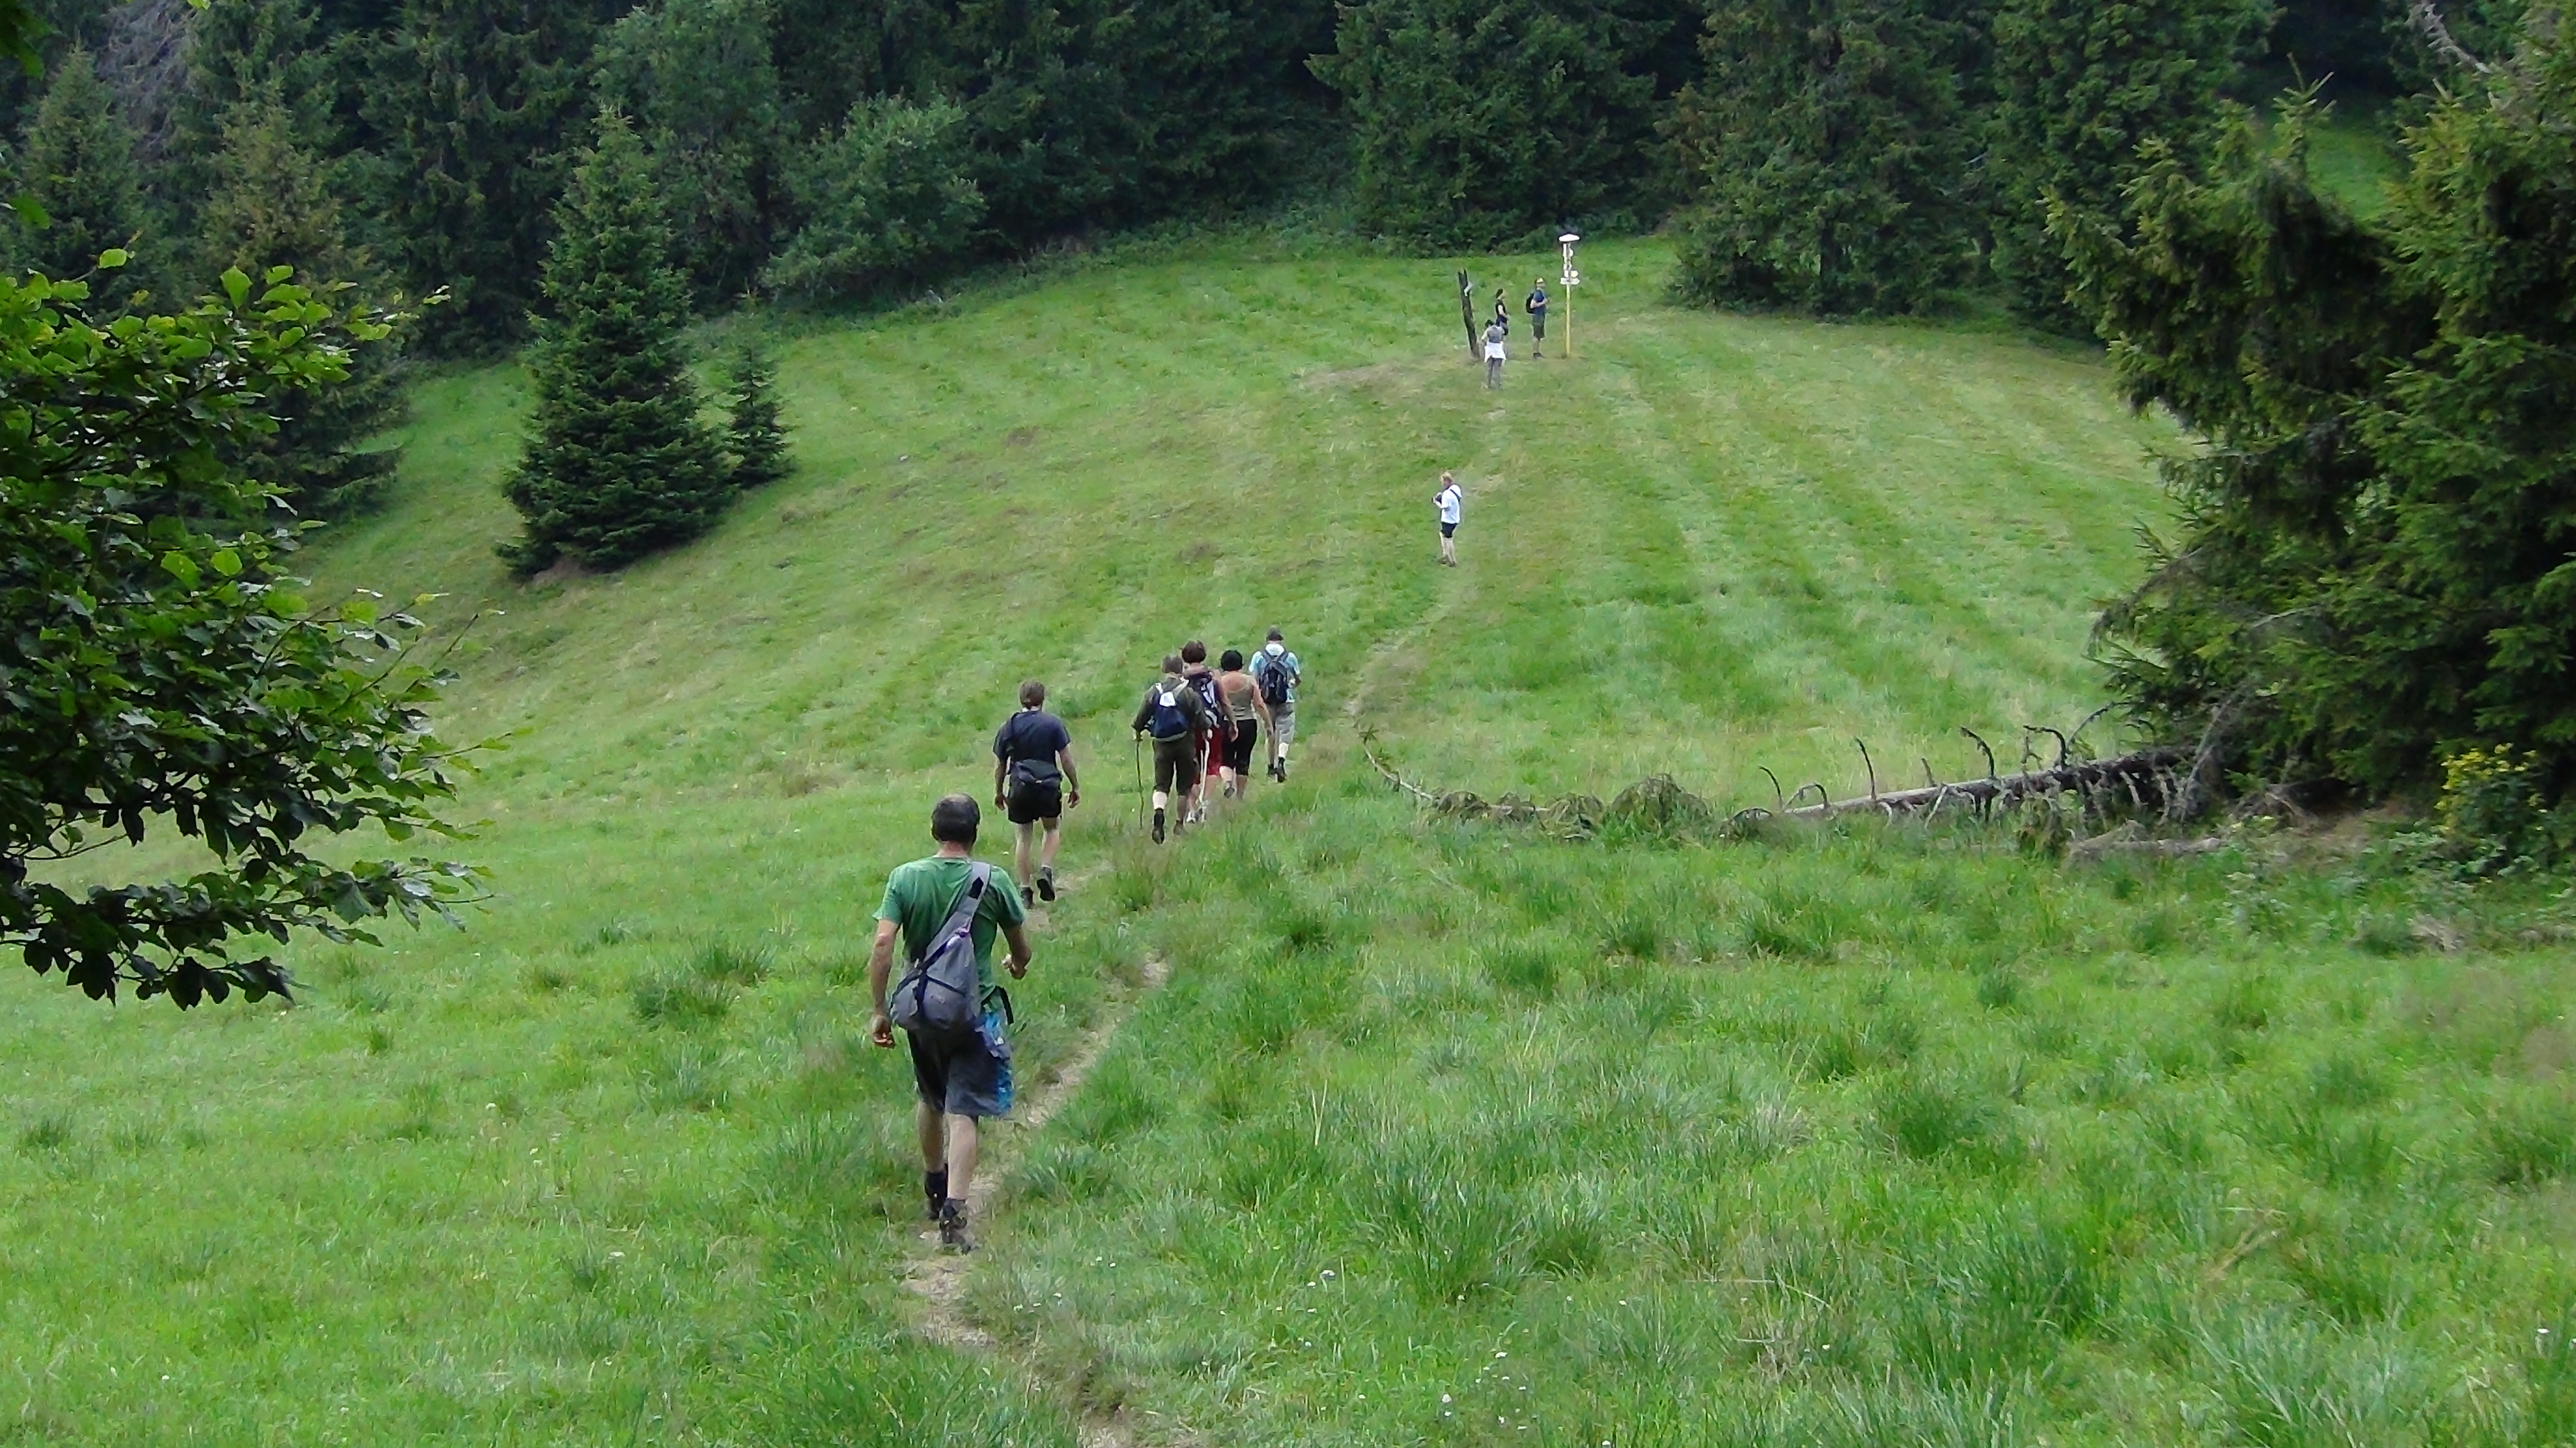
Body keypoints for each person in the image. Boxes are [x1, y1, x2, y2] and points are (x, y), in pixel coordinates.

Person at [868, 794, 1033, 1253]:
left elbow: (883, 945)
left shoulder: (905, 878)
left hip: (922, 1010)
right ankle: (955, 1214)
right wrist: (1017, 965)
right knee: (965, 1113)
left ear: (934, 831)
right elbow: (1021, 949)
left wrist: (880, 1009)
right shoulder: (994, 880)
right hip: (974, 1012)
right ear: (975, 832)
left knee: (930, 1096)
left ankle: (934, 1183)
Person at [991, 680, 1079, 906]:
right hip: (1048, 786)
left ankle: (1025, 891)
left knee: (1023, 837)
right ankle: (1046, 869)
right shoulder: (1052, 724)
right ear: (1043, 699)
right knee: (1052, 828)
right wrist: (1075, 786)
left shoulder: (1009, 727)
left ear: (1021, 699)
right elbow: (1066, 759)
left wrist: (999, 791)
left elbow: (1001, 764)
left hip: (1020, 787)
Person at [1131, 653, 1211, 843]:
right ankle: (1179, 825)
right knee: (1184, 786)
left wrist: (1138, 732)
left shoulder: (1154, 692)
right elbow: (1201, 719)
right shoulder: (1188, 693)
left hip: (1161, 743)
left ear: (1164, 669)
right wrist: (1206, 730)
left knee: (1161, 785)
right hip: (1185, 742)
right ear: (1181, 669)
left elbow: (1140, 719)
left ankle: (1159, 813)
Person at [1180, 640, 1230, 825]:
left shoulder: (1181, 679)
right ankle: (1205, 802)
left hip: (1187, 728)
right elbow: (1223, 702)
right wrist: (1232, 722)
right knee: (1212, 764)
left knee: (1190, 768)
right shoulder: (1213, 677)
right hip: (1211, 724)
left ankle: (1192, 810)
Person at [1214, 647, 1268, 799]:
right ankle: (1239, 796)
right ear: (1241, 664)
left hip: (1226, 723)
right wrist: (1268, 724)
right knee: (1243, 759)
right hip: (1248, 723)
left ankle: (1227, 782)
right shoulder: (1249, 681)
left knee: (1225, 758)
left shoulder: (1219, 683)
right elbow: (1259, 704)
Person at [1254, 628, 1300, 782]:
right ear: (1280, 639)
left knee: (1270, 733)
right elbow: (1297, 679)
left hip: (1266, 701)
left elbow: (1254, 680)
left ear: (1267, 639)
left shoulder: (1259, 656)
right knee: (1285, 732)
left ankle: (1270, 766)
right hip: (1286, 700)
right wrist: (1291, 684)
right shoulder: (1289, 657)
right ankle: (1281, 760)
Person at [1434, 471, 1464, 566]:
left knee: (1448, 539)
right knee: (1443, 535)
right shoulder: (1456, 488)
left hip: (1448, 520)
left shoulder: (1447, 494)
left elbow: (1445, 507)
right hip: (1455, 518)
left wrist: (1436, 502)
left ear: (1446, 481)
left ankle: (1452, 560)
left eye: (1443, 482)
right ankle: (1446, 555)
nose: (1442, 484)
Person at [1526, 279, 1549, 358]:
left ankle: (1537, 351)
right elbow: (1532, 305)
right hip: (1538, 316)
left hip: (1540, 315)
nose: (1544, 284)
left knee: (1539, 335)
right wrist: (1543, 303)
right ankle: (1535, 352)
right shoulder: (1538, 294)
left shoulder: (1541, 293)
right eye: (1541, 283)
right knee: (1536, 335)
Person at [1483, 319, 1506, 389]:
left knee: (1489, 369)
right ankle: (1499, 385)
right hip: (1498, 352)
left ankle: (1488, 385)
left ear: (1488, 325)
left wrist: (1486, 344)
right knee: (1497, 370)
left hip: (1490, 351)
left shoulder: (1489, 330)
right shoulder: (1500, 330)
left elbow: (1483, 339)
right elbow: (1502, 338)